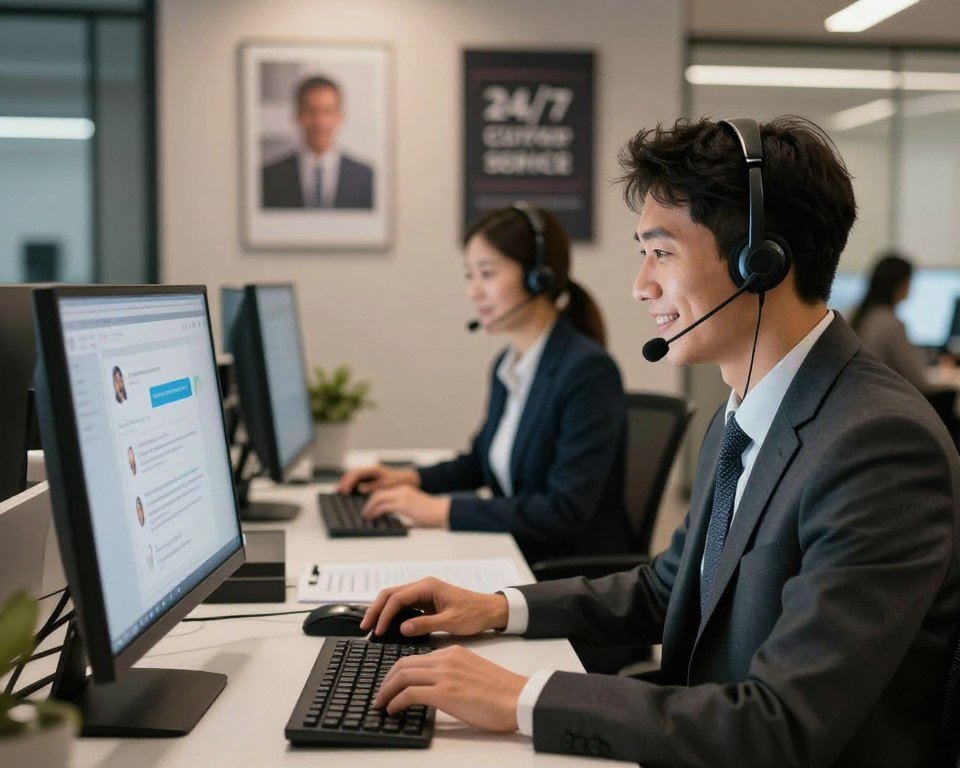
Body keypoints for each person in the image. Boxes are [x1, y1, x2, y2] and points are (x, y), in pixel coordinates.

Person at [359, 117, 960, 767]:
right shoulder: (744, 413)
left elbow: (780, 726)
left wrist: (524, 698)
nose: (640, 285)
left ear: (760, 263)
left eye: (661, 251)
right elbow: (665, 590)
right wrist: (497, 608)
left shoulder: (877, 446)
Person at [338, 204, 630, 565]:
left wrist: (441, 511)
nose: (472, 292)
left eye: (487, 274)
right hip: (518, 552)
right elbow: (479, 463)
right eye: (469, 275)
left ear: (538, 277)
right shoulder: (508, 366)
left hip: (566, 575)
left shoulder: (587, 371)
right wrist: (408, 479)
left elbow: (564, 510)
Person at [852, 252, 959, 440]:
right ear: (900, 284)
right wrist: (946, 377)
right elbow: (919, 381)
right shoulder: (890, 323)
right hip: (891, 407)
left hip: (864, 404)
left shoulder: (861, 317)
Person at [261, 75, 373, 209]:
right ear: (298, 115)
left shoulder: (367, 177)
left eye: (327, 111)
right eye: (310, 111)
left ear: (340, 116)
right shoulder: (269, 177)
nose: (319, 122)